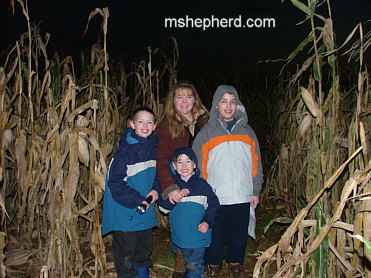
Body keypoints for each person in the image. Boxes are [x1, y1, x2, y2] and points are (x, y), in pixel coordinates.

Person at [192, 85, 264, 278]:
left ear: (238, 105)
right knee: (215, 237)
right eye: (224, 101)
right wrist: (203, 194)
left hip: (242, 195)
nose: (228, 106)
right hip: (216, 197)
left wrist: (255, 190)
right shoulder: (205, 134)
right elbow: (199, 169)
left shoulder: (248, 133)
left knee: (238, 237)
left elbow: (256, 164)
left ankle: (235, 264)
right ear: (216, 105)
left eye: (233, 102)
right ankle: (213, 266)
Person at [155, 80, 208, 277]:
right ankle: (180, 254)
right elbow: (160, 160)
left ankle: (196, 254)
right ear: (172, 101)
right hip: (177, 181)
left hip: (201, 179)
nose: (184, 101)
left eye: (189, 96)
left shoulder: (204, 122)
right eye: (179, 97)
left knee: (200, 217)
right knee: (181, 220)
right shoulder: (165, 127)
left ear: (195, 100)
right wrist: (169, 187)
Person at [102, 107, 161, 278]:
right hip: (126, 213)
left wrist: (156, 191)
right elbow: (116, 184)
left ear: (154, 126)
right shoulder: (125, 151)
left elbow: (154, 177)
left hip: (144, 211)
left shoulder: (151, 148)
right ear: (132, 124)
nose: (145, 125)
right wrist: (139, 200)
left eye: (149, 122)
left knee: (144, 249)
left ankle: (142, 274)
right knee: (126, 254)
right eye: (140, 122)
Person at [158, 147, 220, 278]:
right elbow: (163, 208)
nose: (184, 165)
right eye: (179, 162)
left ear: (195, 164)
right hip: (179, 236)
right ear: (174, 166)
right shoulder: (171, 186)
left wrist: (207, 222)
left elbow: (214, 204)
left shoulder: (202, 185)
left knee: (194, 264)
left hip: (197, 236)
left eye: (188, 161)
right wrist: (175, 198)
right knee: (184, 260)